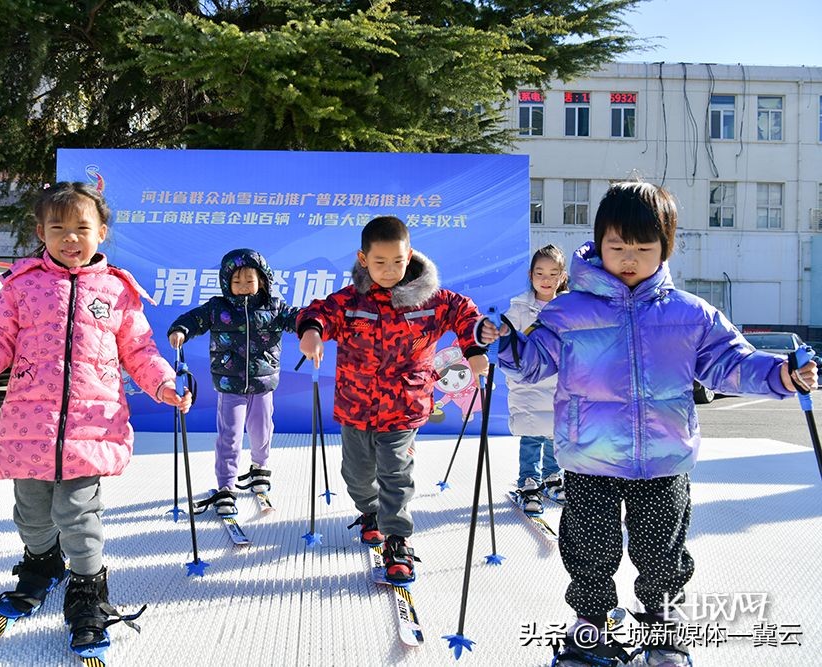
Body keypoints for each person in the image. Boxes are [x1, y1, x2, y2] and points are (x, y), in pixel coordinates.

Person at [475, 181, 818, 667]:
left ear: (666, 248)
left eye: (643, 247)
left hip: (663, 459)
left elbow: (730, 362)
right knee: (590, 551)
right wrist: (502, 342)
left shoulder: (689, 313)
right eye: (617, 247)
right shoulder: (567, 312)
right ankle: (589, 629)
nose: (629, 258)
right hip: (590, 458)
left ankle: (663, 630)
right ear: (599, 245)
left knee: (662, 556)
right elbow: (532, 362)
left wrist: (783, 373)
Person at [0, 182, 192, 651]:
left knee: (76, 513)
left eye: (81, 228)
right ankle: (41, 561)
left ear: (101, 232)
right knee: (31, 512)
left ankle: (89, 588)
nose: (70, 238)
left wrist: (165, 384)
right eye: (59, 229)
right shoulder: (21, 286)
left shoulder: (116, 291)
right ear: (41, 232)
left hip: (90, 425)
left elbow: (138, 349)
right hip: (28, 427)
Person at [297, 215, 488, 583]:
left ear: (410, 255)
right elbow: (318, 312)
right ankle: (370, 512)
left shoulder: (432, 300)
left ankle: (397, 539)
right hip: (356, 406)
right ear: (363, 259)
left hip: (404, 405)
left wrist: (474, 348)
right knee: (356, 475)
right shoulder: (352, 301)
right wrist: (312, 332)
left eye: (398, 262)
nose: (389, 270)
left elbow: (465, 313)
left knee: (396, 474)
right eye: (380, 262)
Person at [167, 248, 299, 515]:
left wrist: (311, 327)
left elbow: (298, 317)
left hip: (263, 386)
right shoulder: (218, 308)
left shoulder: (274, 307)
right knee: (230, 436)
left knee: (262, 431)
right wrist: (181, 330)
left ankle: (259, 468)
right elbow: (194, 319)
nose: (243, 286)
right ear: (226, 283)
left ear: (262, 280)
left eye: (249, 280)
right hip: (230, 386)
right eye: (236, 281)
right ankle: (226, 486)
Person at [504, 244, 569, 515]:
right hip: (529, 383)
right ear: (531, 275)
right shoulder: (519, 307)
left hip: (559, 383)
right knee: (532, 433)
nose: (546, 279)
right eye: (540, 273)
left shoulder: (569, 307)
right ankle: (528, 481)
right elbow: (507, 337)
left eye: (553, 274)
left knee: (556, 432)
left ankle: (553, 476)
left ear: (562, 276)